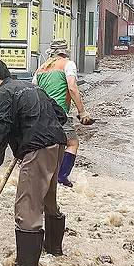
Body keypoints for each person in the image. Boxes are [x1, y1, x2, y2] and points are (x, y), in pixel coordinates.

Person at [0, 58, 68, 266]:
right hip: (57, 144)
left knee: (26, 206)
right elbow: (61, 115)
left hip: (37, 148)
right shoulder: (32, 87)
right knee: (48, 197)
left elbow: (1, 130)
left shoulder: (2, 94)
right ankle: (53, 248)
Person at [34, 40, 92, 188]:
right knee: (72, 143)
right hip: (59, 113)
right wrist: (82, 112)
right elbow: (72, 88)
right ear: (65, 51)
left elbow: (33, 90)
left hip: (41, 114)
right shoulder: (68, 64)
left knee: (48, 145)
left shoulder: (40, 68)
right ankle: (62, 176)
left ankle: (44, 176)